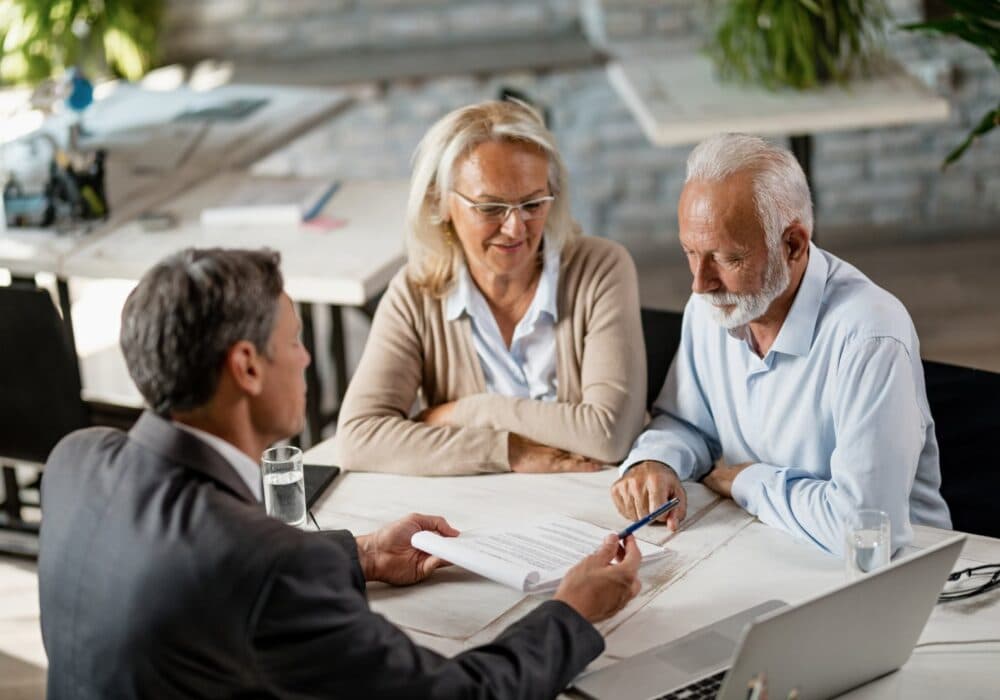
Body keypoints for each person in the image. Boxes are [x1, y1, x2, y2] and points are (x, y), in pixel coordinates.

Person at [38, 248, 643, 699]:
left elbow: (211, 588)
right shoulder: (269, 564)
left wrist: (363, 555)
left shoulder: (77, 461)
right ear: (247, 366)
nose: (306, 359)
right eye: (295, 341)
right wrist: (571, 614)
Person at [611, 134, 951, 555]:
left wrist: (746, 481)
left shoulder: (870, 335)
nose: (701, 283)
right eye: (690, 253)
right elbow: (686, 423)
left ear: (792, 245)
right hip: (768, 546)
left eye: (727, 258)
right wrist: (657, 461)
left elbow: (865, 530)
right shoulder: (711, 307)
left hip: (901, 579)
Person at [335, 99, 646, 475]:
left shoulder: (600, 269)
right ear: (440, 202)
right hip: (475, 513)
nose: (516, 228)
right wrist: (508, 451)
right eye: (490, 208)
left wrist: (474, 410)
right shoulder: (416, 293)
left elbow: (609, 435)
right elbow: (358, 439)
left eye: (533, 203)